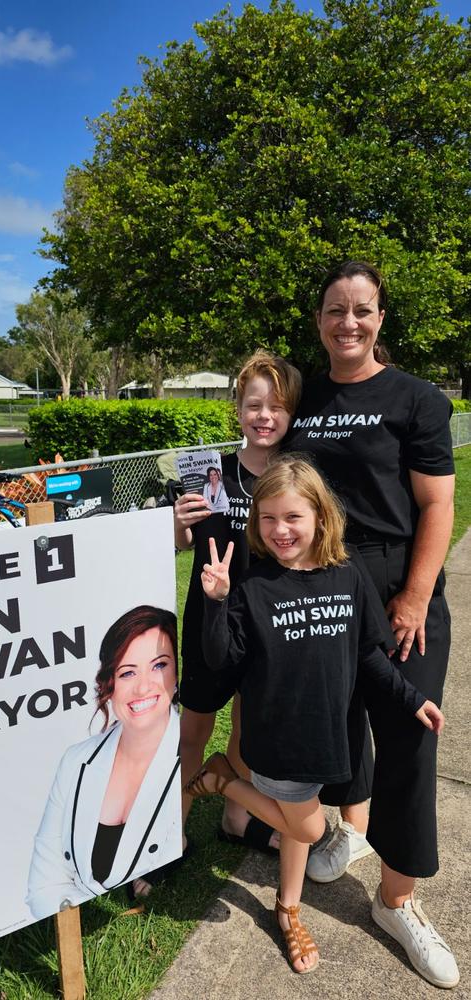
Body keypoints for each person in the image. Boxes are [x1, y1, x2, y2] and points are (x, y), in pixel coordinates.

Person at [185, 455, 443, 975]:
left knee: (298, 822)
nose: (280, 530)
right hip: (276, 737)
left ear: (320, 517)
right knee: (305, 830)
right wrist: (217, 601)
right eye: (268, 519)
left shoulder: (346, 576)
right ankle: (221, 781)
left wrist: (410, 697)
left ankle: (288, 908)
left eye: (293, 517)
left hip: (328, 739)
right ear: (257, 524)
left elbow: (370, 655)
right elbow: (223, 658)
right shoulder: (255, 587)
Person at [285, 260, 459, 988]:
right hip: (324, 585)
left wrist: (416, 595)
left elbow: (439, 506)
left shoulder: (415, 399)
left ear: (381, 317)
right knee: (339, 724)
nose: (347, 322)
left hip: (396, 589)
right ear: (319, 319)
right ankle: (350, 831)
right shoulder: (305, 394)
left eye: (361, 309)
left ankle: (397, 900)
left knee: (411, 739)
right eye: (334, 310)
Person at [174, 350, 301, 853]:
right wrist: (178, 527)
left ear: (291, 414)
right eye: (254, 404)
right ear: (238, 409)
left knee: (248, 734)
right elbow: (181, 543)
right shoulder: (210, 475)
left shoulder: (296, 479)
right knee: (194, 732)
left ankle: (235, 817)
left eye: (277, 406)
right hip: (210, 619)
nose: (265, 416)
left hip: (267, 625)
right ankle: (169, 834)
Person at [26, 606, 181, 922]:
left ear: (177, 675)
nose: (142, 686)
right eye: (127, 672)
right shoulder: (77, 761)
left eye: (159, 666)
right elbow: (43, 881)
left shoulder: (187, 752)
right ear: (109, 684)